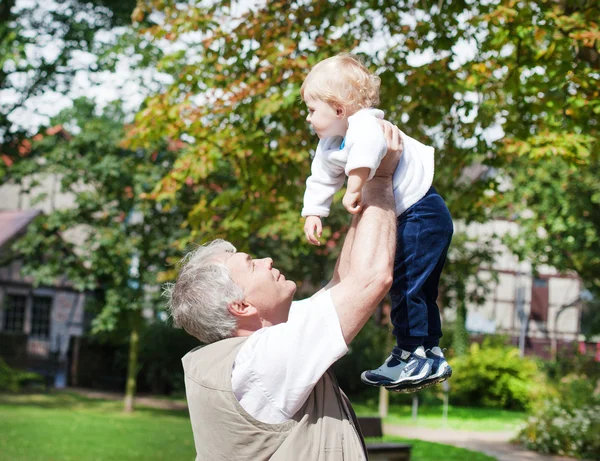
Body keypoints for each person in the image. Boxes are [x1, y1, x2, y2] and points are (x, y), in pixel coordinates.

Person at [164, 122, 400, 461]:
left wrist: (358, 193)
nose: (267, 259)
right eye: (251, 264)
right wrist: (381, 178)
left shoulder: (249, 353)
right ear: (241, 305)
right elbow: (370, 279)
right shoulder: (262, 360)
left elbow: (343, 282)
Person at [301, 53, 453, 393]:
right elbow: (321, 178)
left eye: (312, 109)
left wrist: (355, 186)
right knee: (412, 285)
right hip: (412, 215)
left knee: (408, 283)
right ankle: (421, 352)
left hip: (423, 211)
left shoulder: (366, 124)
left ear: (338, 109)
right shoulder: (329, 144)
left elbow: (370, 149)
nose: (308, 118)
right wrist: (313, 212)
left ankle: (415, 353)